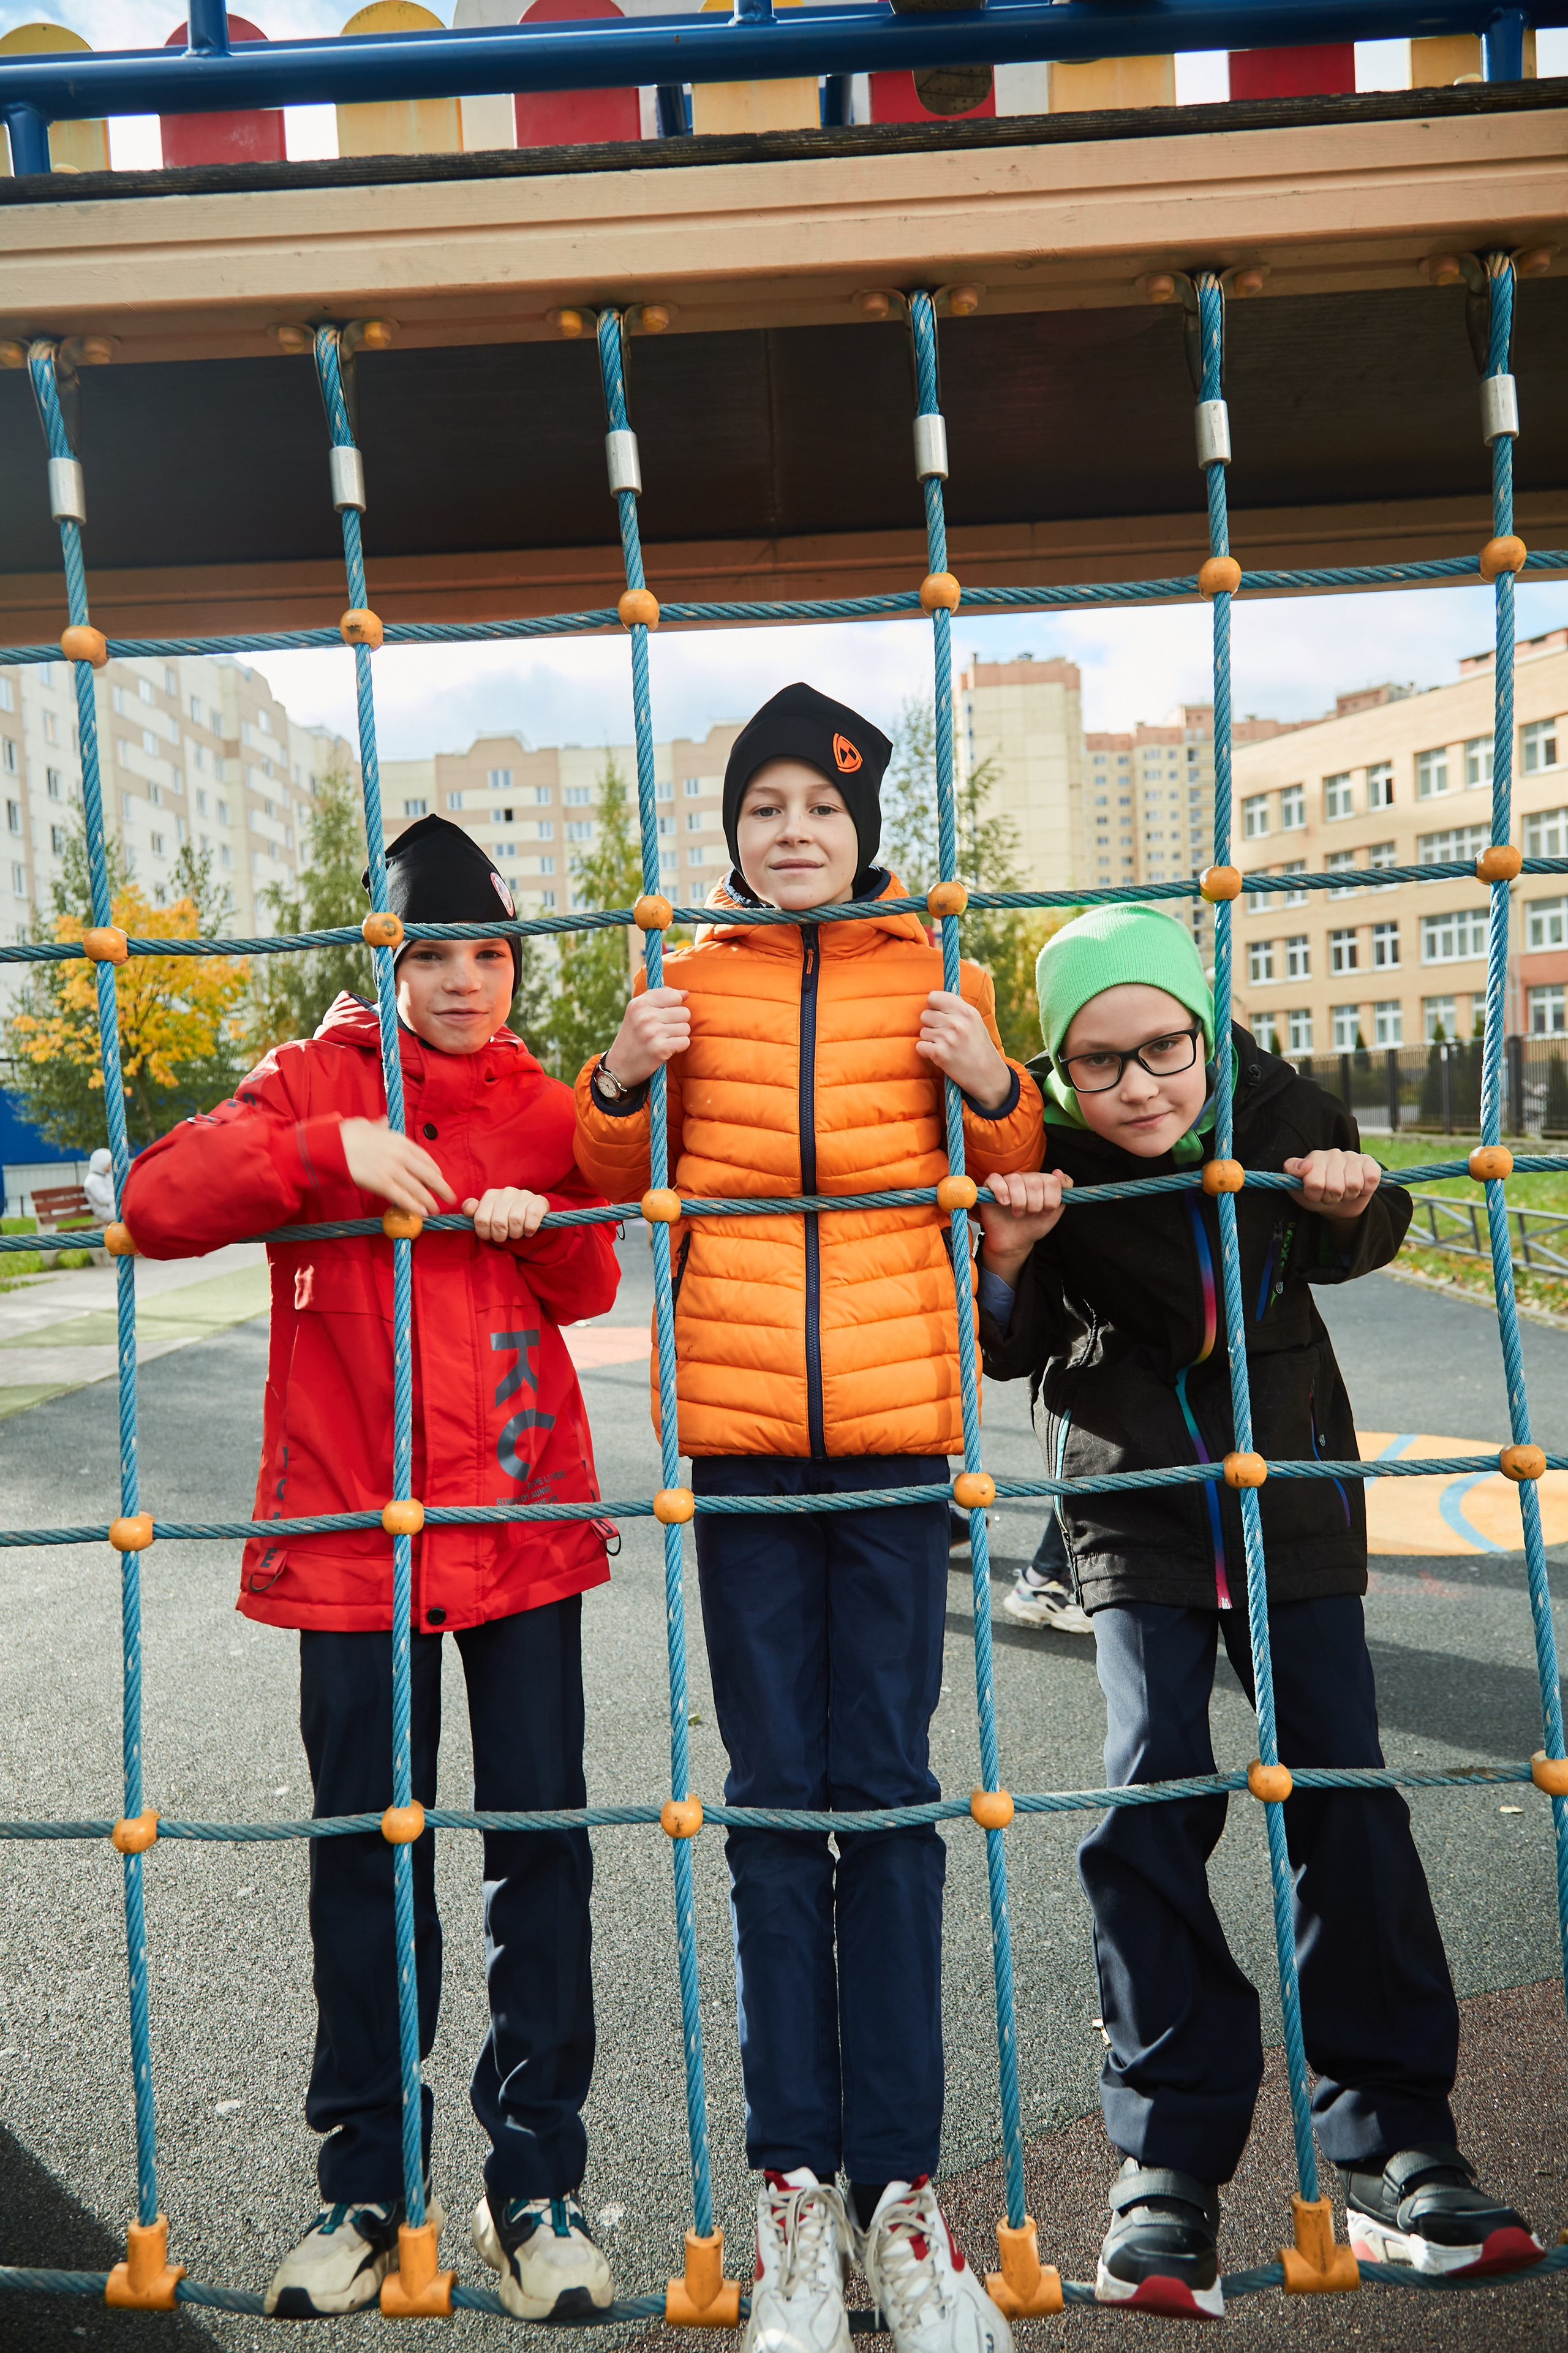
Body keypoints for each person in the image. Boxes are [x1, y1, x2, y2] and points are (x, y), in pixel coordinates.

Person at [976, 903, 1542, 2317]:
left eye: (1161, 1047)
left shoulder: (1269, 1097)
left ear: (1201, 1029)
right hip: (1133, 1489)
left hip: (1286, 1477)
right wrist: (1003, 1249)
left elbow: (1368, 1233)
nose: (1139, 1085)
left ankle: (1398, 2138)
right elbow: (1011, 1346)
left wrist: (1351, 1198)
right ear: (1057, 1073)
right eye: (1097, 1066)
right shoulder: (1044, 1146)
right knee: (1152, 1783)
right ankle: (1163, 2160)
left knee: (1343, 1789)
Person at [575, 684, 1041, 2353]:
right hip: (751, 1446)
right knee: (777, 1805)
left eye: (821, 810)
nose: (792, 831)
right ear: (735, 834)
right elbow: (590, 1154)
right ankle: (793, 2196)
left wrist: (994, 1085)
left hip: (906, 1440)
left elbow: (1021, 1161)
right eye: (764, 806)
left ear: (863, 832)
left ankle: (903, 2197)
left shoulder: (941, 978)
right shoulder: (682, 989)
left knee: (892, 1800)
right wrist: (619, 1077)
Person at [121, 817, 622, 2323]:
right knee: (366, 1857)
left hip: (520, 1526)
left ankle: (531, 2177)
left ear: (519, 964)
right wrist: (316, 1151)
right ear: (383, 958)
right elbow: (153, 1207)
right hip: (353, 1545)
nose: (467, 982)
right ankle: (365, 2179)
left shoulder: (543, 1103)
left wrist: (541, 1231)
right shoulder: (310, 1077)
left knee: (541, 1852)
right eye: (434, 954)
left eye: (492, 954)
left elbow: (591, 1275)